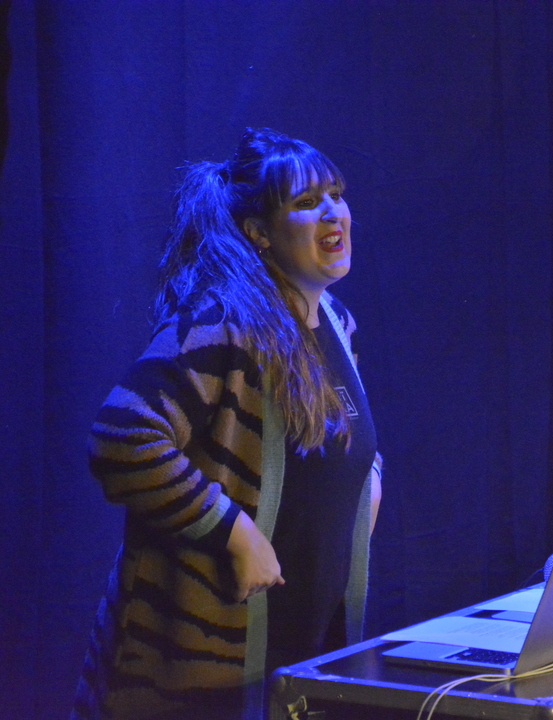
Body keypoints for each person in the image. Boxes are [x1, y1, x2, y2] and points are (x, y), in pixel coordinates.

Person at [71, 128, 382, 720]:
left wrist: (368, 475)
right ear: (259, 232)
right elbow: (122, 437)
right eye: (306, 201)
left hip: (303, 659)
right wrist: (234, 533)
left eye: (336, 194)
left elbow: (338, 429)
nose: (333, 211)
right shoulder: (222, 325)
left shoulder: (338, 323)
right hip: (201, 674)